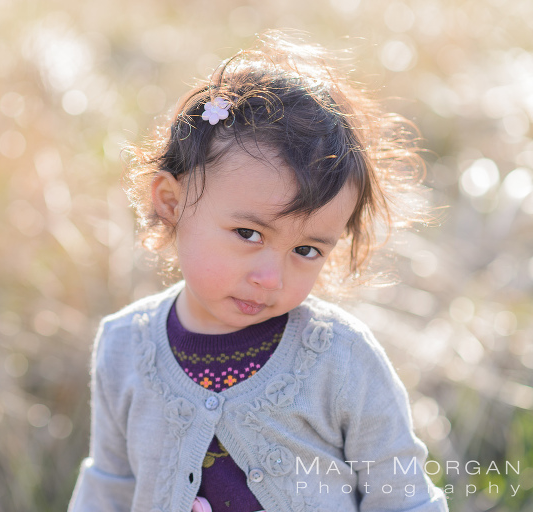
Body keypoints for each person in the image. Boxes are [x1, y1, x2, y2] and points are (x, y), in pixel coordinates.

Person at [68, 30, 449, 512]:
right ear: (171, 201)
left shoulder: (340, 357)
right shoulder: (124, 346)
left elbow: (403, 495)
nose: (271, 278)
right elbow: (108, 488)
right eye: (248, 234)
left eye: (306, 249)